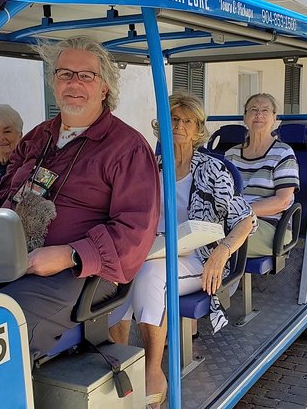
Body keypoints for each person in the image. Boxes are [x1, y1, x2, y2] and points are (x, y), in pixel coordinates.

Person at [0, 36, 159, 362]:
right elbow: (4, 196)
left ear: (104, 87)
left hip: (82, 273)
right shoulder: (37, 137)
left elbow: (135, 233)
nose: (74, 83)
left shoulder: (127, 148)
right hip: (11, 256)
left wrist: (69, 255)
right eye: (65, 74)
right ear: (53, 82)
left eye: (86, 76)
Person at [109, 92, 255, 408]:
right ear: (161, 124)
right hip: (151, 249)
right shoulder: (148, 166)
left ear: (198, 129)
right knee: (113, 273)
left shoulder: (212, 169)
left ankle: (152, 370)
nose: (179, 126)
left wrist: (223, 252)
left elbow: (246, 219)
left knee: (150, 275)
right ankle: (120, 363)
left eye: (187, 121)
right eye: (173, 119)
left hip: (198, 255)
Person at [225, 93, 299, 257]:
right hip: (230, 221)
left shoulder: (283, 153)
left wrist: (241, 213)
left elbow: (283, 201)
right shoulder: (231, 154)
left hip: (269, 225)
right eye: (253, 110)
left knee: (216, 245)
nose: (259, 115)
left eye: (265, 110)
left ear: (274, 118)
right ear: (245, 117)